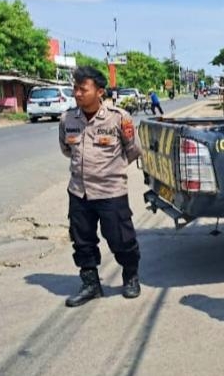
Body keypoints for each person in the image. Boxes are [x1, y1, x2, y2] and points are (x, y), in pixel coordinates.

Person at [59, 66, 143, 307]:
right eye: (75, 89)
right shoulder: (67, 119)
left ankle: (130, 275)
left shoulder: (119, 118)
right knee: (82, 239)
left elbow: (133, 149)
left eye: (82, 89)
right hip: (78, 191)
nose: (77, 94)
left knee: (121, 239)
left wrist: (110, 170)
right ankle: (90, 284)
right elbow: (67, 149)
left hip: (111, 192)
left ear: (100, 92)